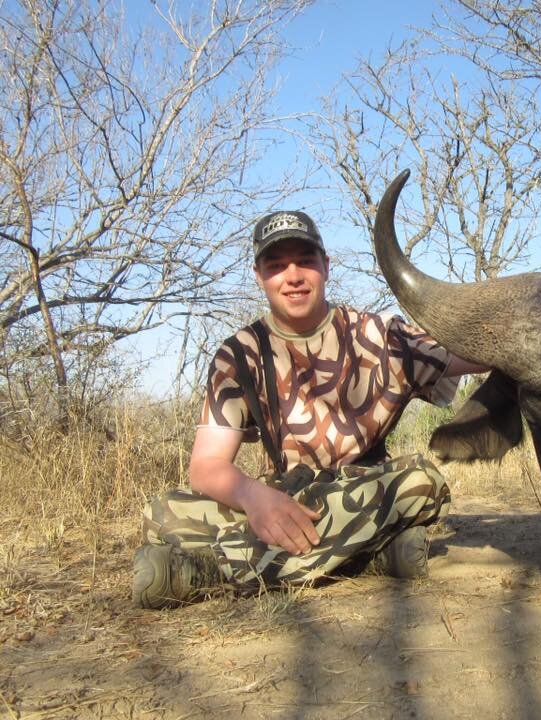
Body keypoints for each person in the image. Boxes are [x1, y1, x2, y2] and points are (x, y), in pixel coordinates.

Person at [133, 210, 486, 609]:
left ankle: (206, 571)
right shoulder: (238, 355)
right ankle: (370, 557)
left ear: (326, 266)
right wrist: (255, 497)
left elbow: (477, 351)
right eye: (276, 265)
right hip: (283, 496)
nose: (293, 275)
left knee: (420, 483)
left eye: (305, 260)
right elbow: (207, 465)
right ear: (259, 275)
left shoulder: (380, 334)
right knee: (161, 512)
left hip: (362, 489)